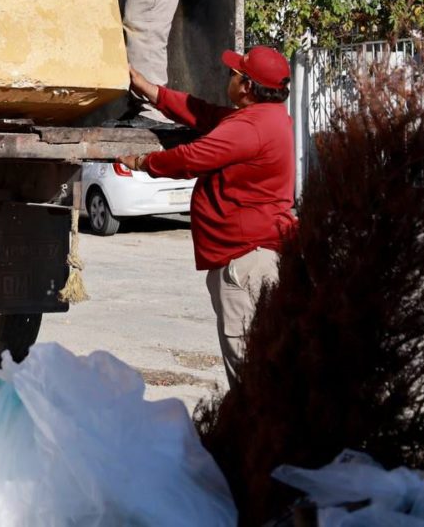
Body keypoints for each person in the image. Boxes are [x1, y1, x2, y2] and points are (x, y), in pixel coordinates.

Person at [119, 46, 296, 389]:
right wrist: (150, 90)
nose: (227, 77)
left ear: (246, 87)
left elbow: (191, 159)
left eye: (234, 73)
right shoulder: (265, 117)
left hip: (244, 263)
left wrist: (144, 163)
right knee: (262, 367)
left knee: (250, 373)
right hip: (253, 254)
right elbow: (201, 113)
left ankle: (257, 439)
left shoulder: (250, 128)